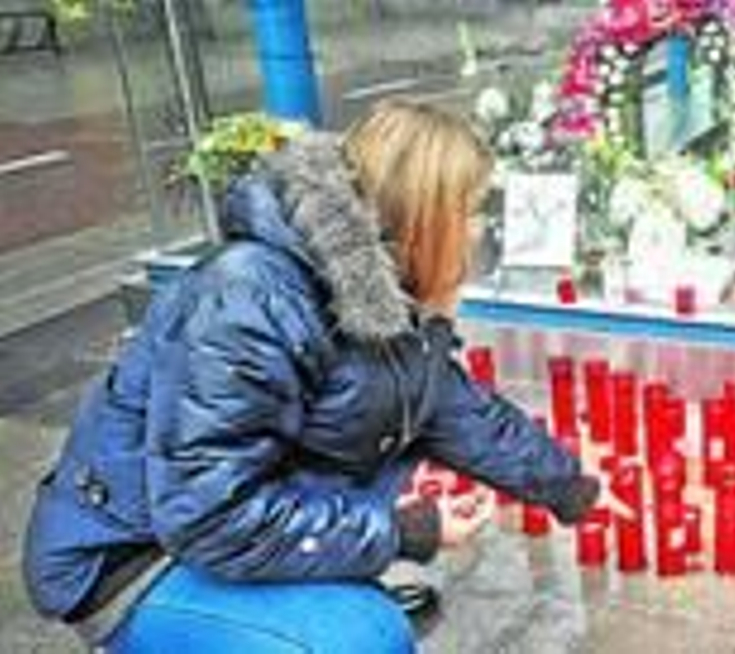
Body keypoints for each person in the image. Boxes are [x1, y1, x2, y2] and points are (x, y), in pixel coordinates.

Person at [22, 100, 605, 653]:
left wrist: (570, 489)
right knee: (362, 635)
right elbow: (206, 516)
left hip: (222, 535)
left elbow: (459, 411)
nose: (478, 230)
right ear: (425, 217)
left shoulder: (384, 296)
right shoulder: (250, 296)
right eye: (472, 210)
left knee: (363, 617)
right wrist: (404, 531)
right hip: (132, 559)